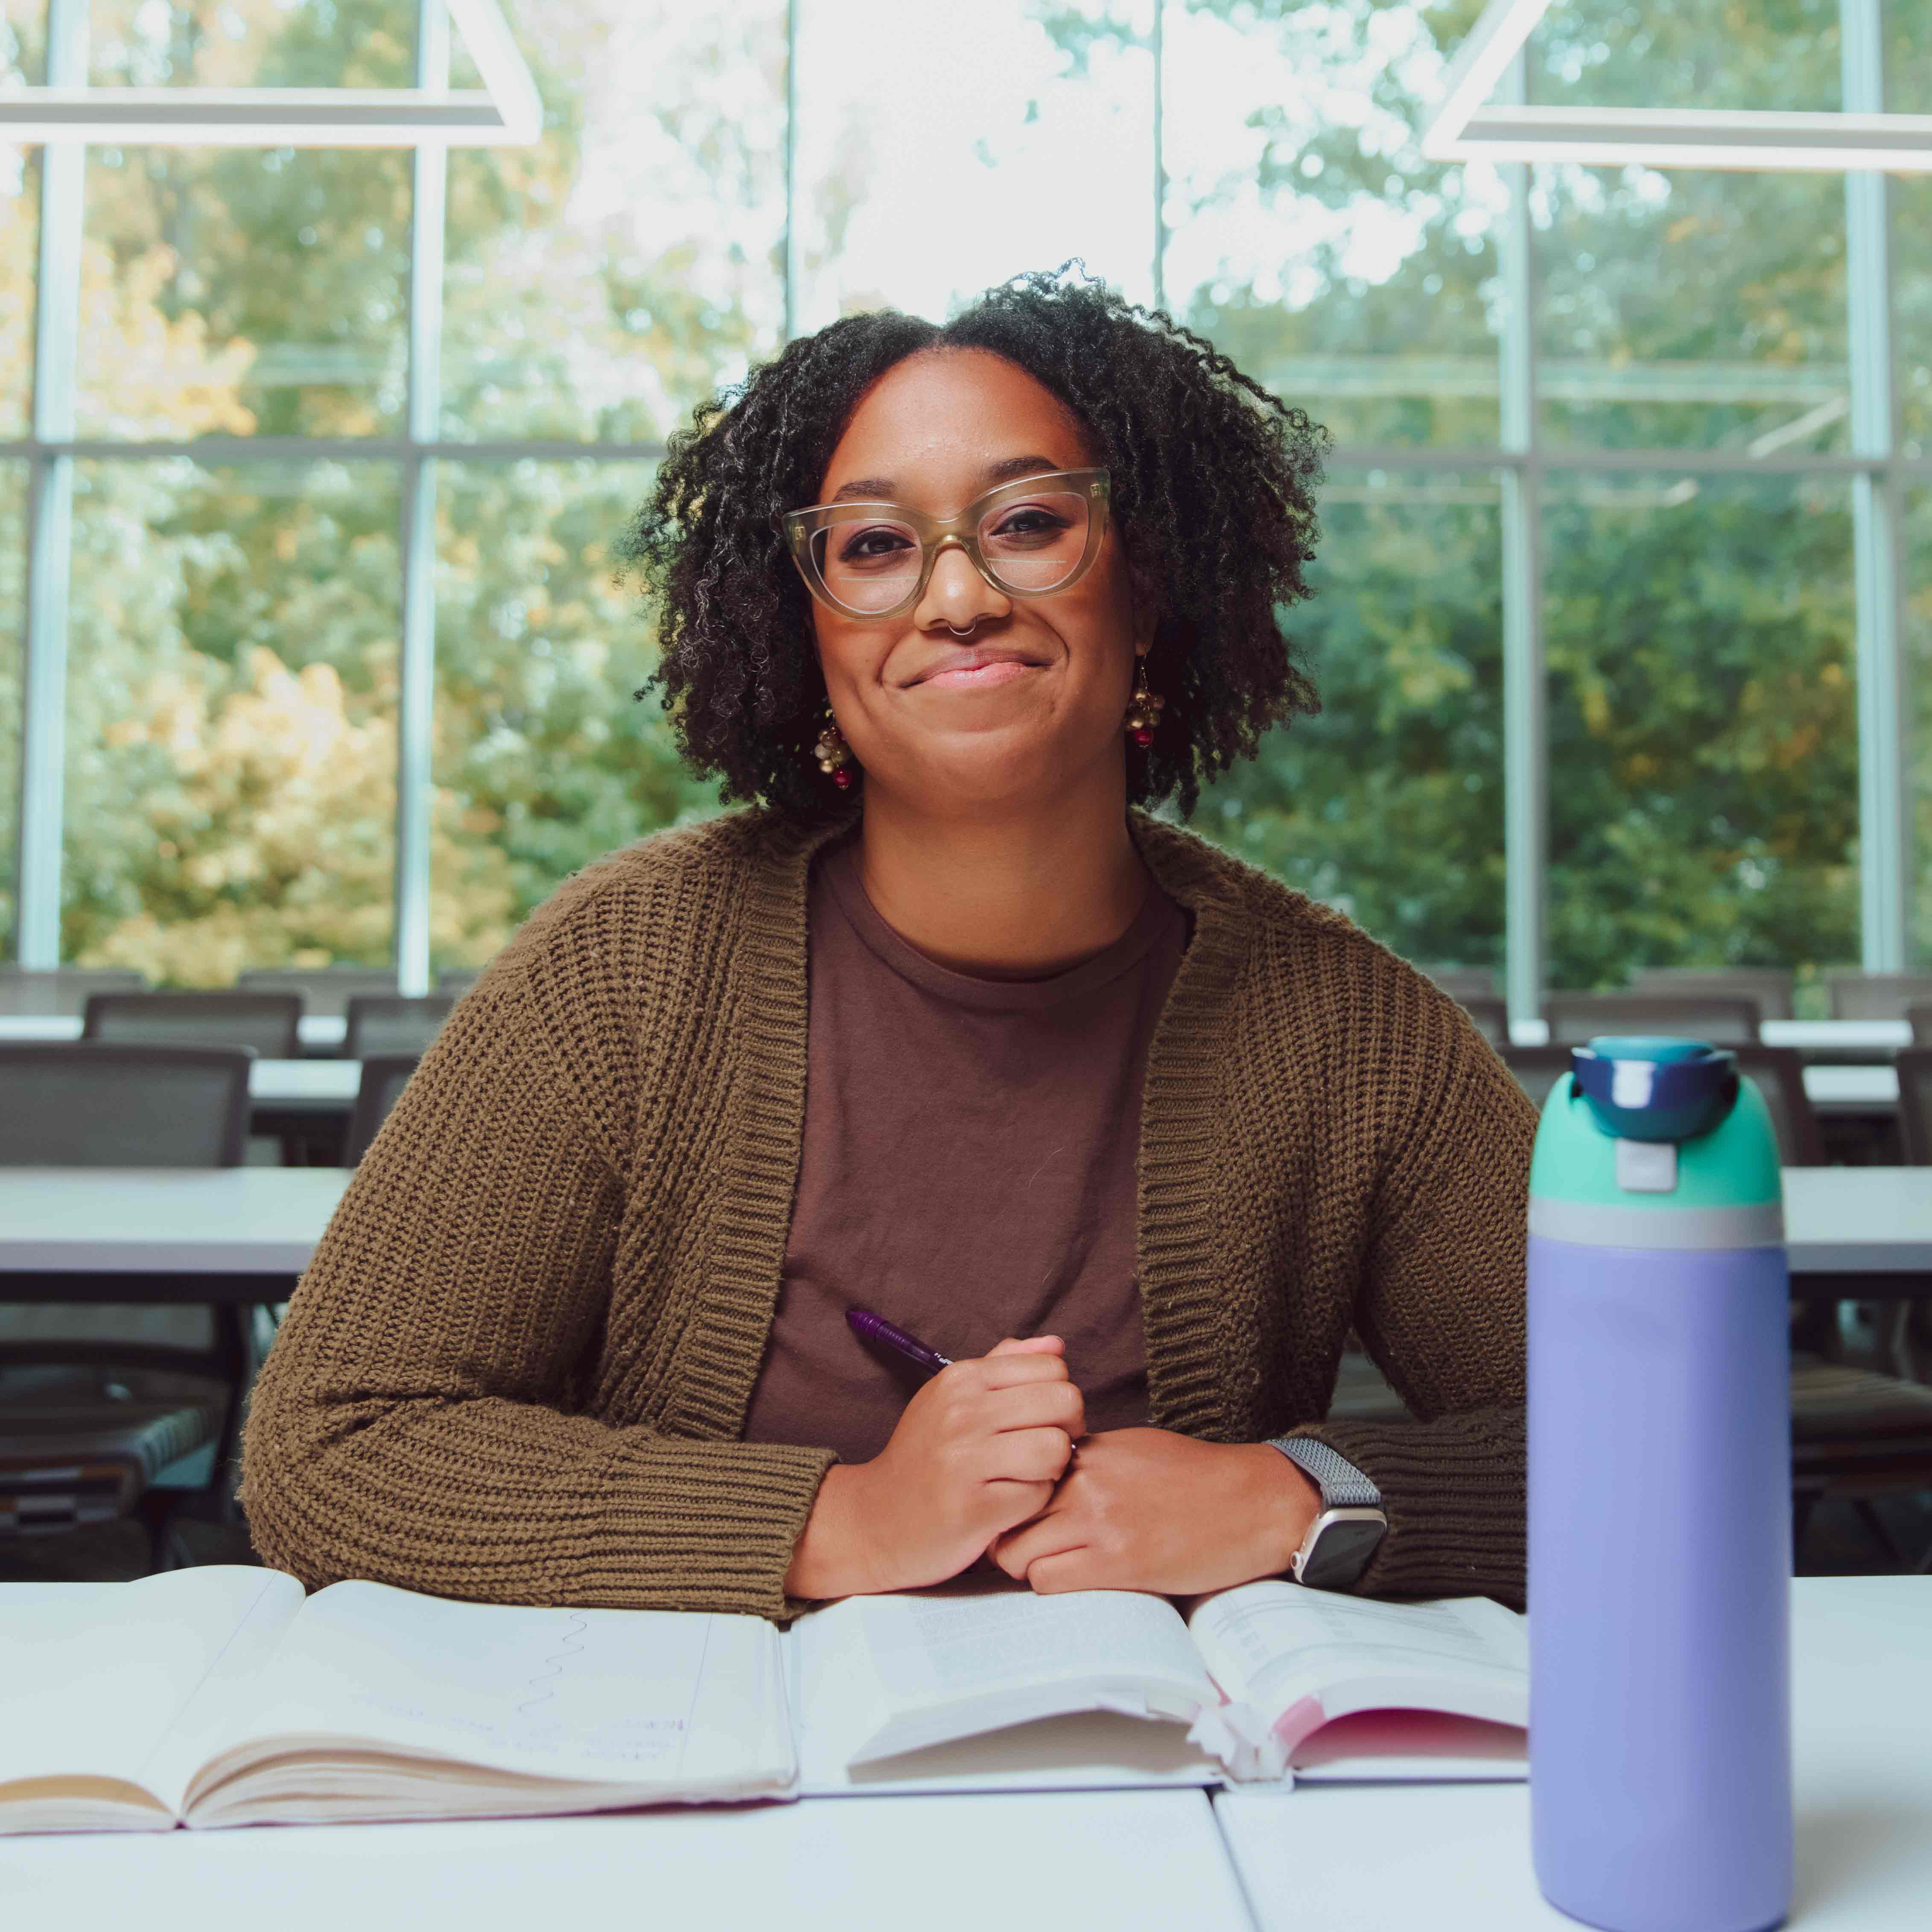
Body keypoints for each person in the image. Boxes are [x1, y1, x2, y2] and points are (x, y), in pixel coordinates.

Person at [242, 270, 1536, 1618]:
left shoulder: (1346, 1029)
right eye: (873, 547)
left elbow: (1652, 1448)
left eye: (1028, 523)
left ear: (1149, 587)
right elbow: (332, 1446)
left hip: (1176, 1753)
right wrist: (840, 1522)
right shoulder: (627, 970)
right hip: (705, 1750)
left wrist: (1295, 1499)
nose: (958, 597)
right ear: (800, 629)